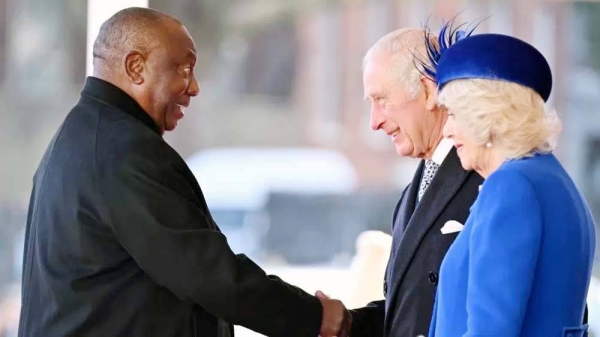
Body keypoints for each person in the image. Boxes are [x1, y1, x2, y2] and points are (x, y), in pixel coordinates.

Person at [17, 7, 351, 337]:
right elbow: (209, 274)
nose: (193, 87)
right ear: (135, 67)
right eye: (183, 69)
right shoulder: (122, 151)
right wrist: (318, 318)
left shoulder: (84, 137)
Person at [421, 24, 596, 336]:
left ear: (487, 115)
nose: (446, 130)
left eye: (453, 115)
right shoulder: (553, 181)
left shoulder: (511, 186)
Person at [347, 28, 483, 337]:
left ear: (427, 91)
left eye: (381, 100)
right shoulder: (414, 190)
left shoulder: (489, 178)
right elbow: (407, 311)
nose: (374, 121)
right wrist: (340, 322)